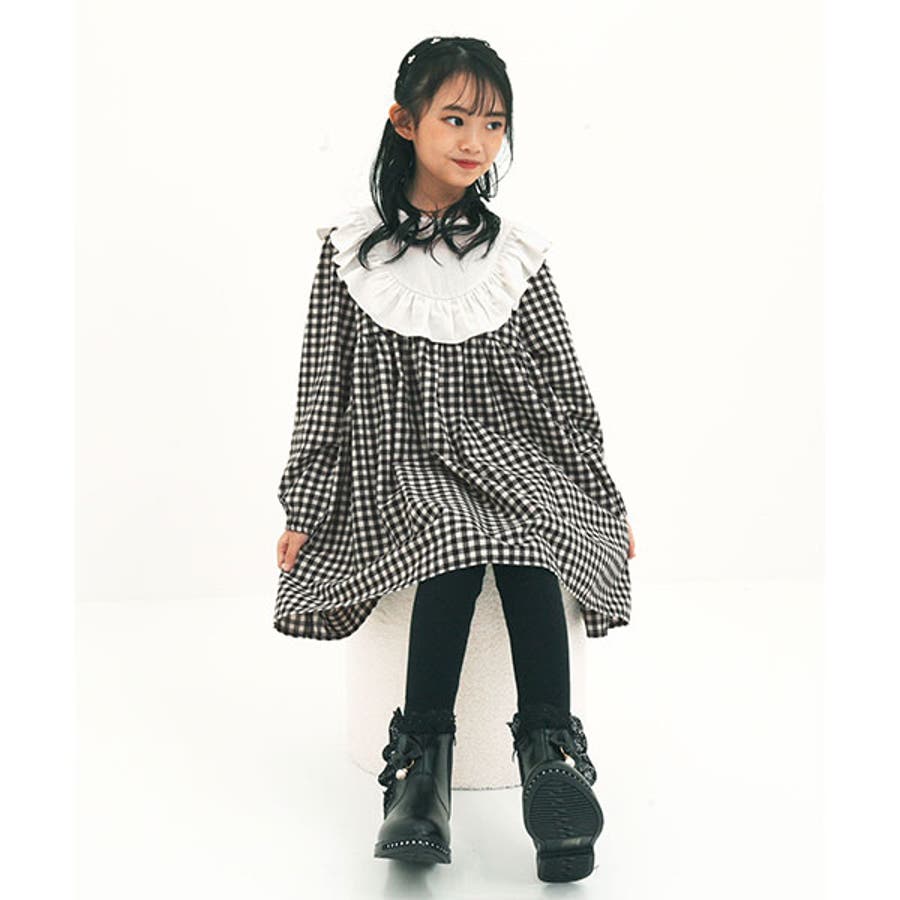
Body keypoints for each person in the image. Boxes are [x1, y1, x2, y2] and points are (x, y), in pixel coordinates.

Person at [273, 35, 637, 884]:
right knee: (452, 535)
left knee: (530, 536)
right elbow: (322, 387)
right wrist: (306, 504)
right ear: (405, 122)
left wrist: (601, 496)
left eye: (494, 123)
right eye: (456, 118)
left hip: (514, 454)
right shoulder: (352, 252)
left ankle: (552, 759)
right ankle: (421, 776)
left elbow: (562, 388)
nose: (477, 140)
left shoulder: (513, 256)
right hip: (403, 462)